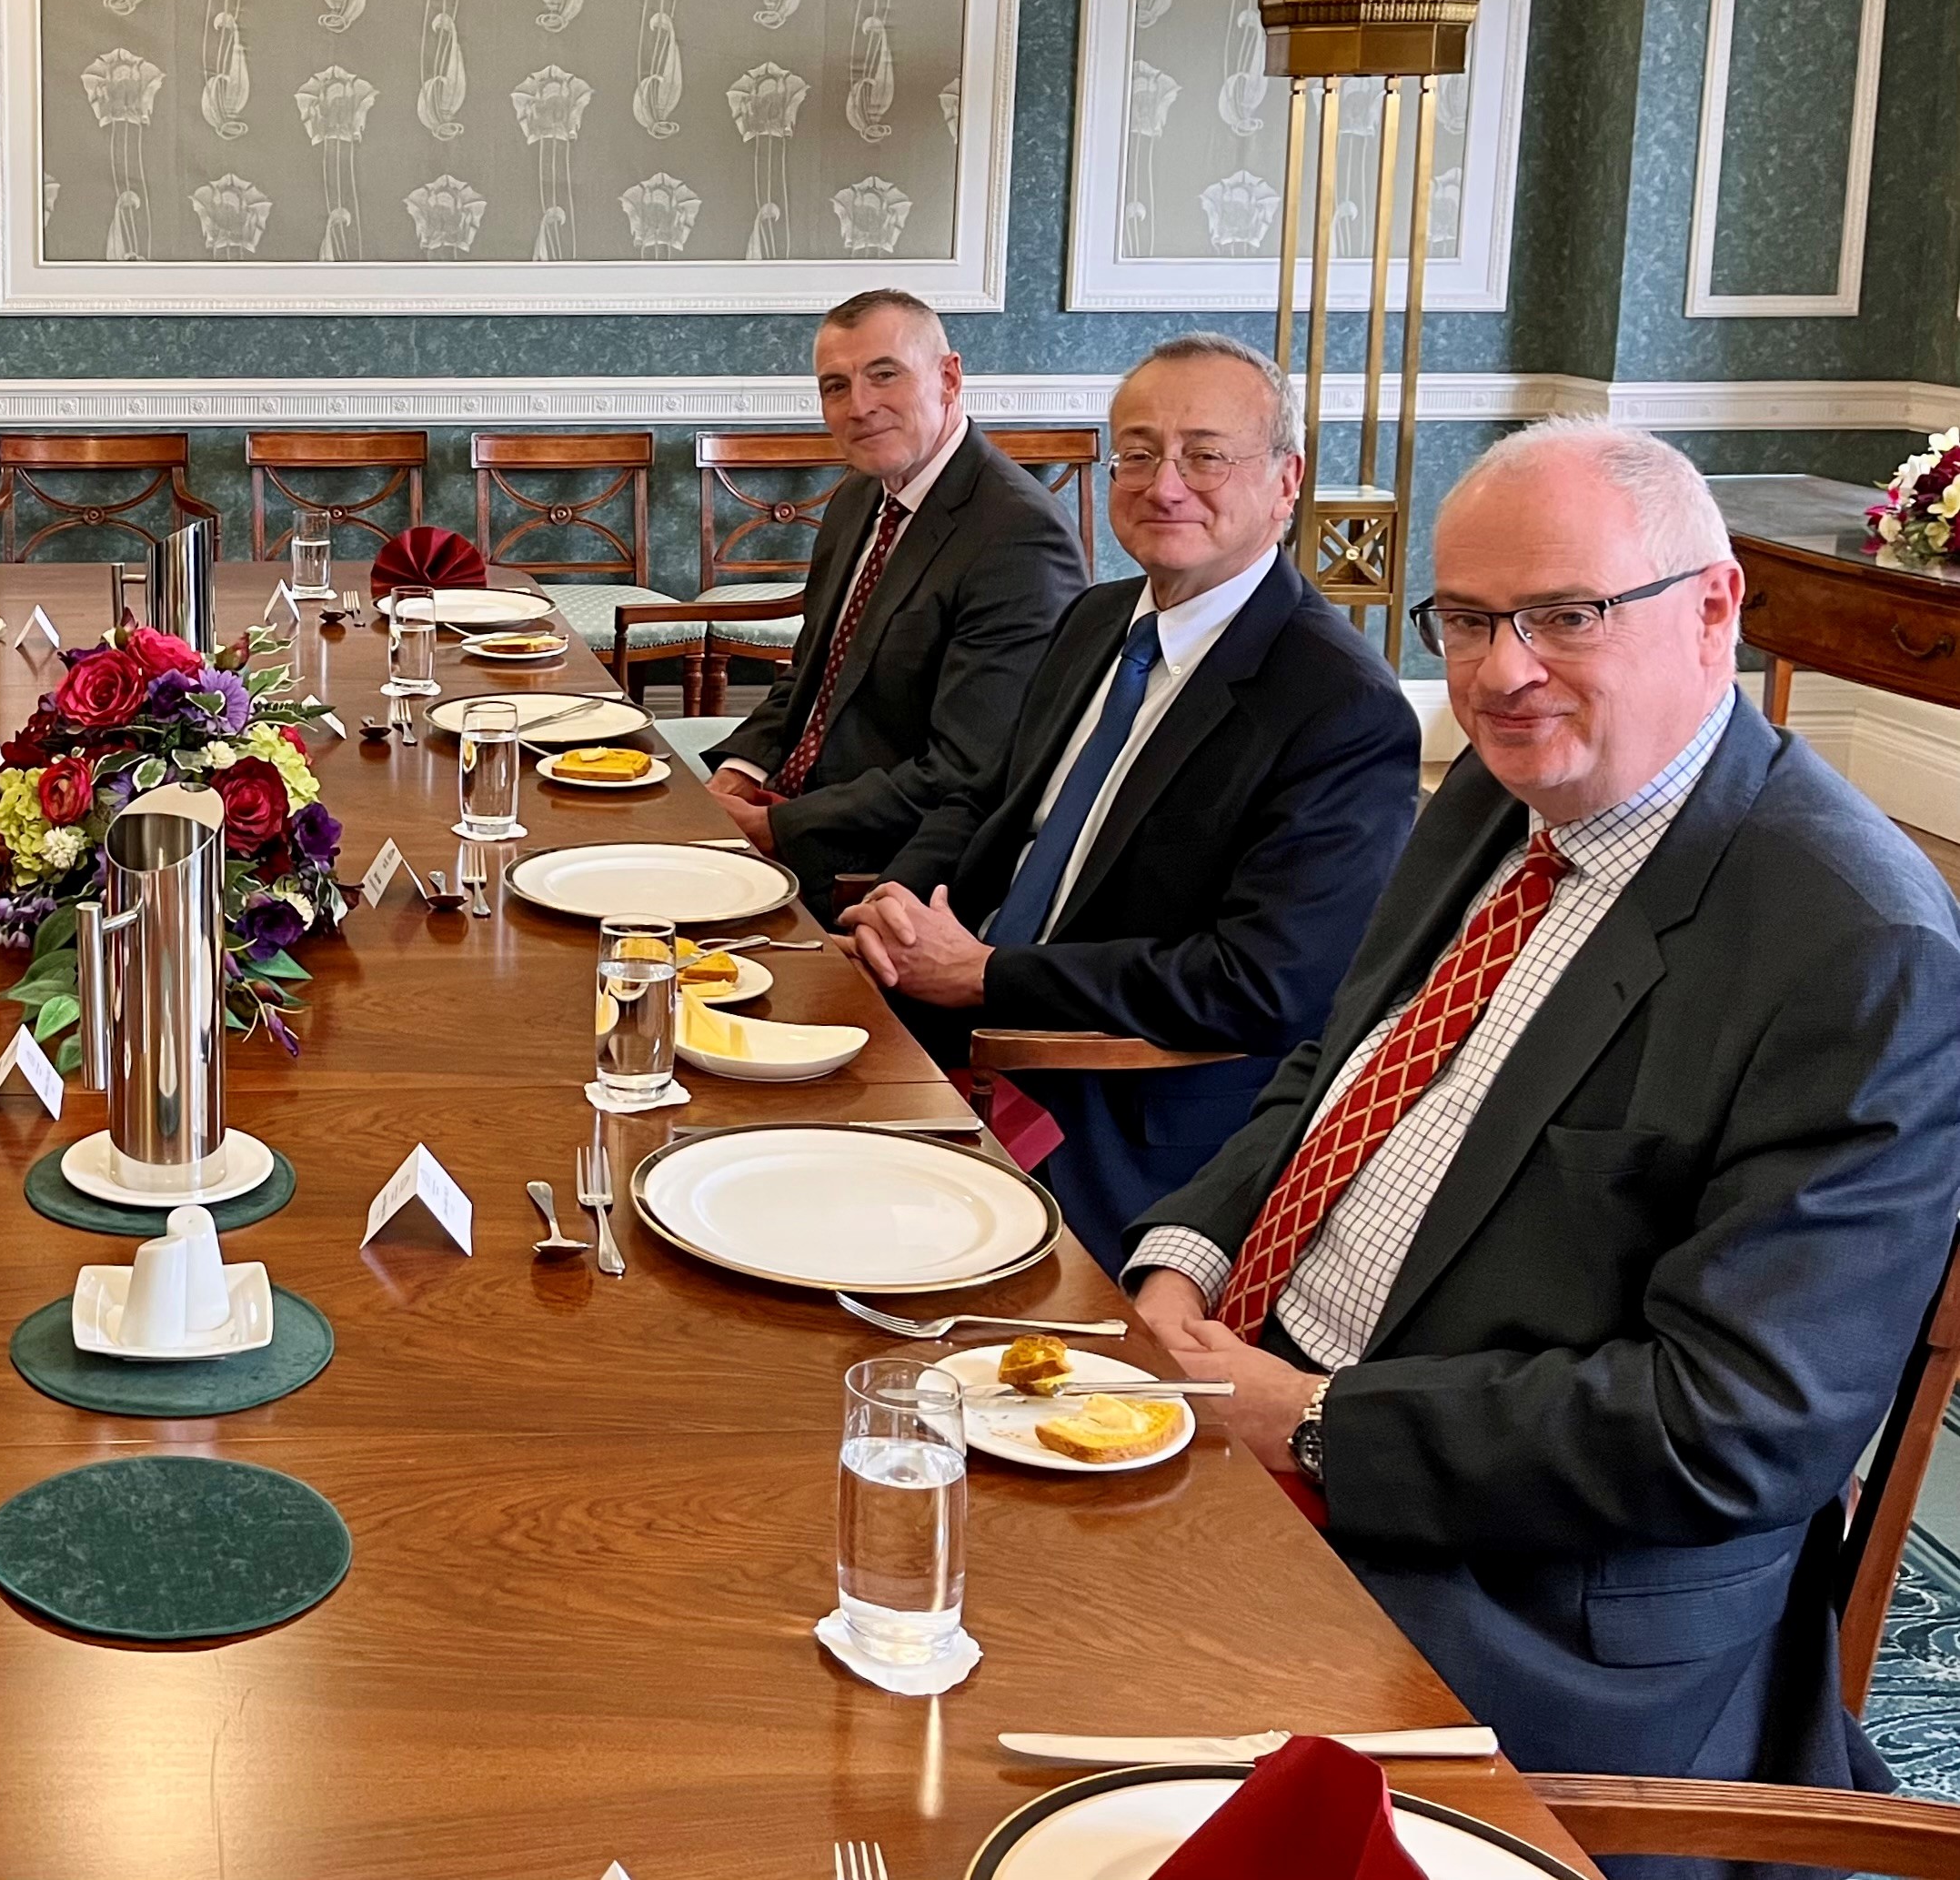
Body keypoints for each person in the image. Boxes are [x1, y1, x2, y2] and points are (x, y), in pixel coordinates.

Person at [1127, 422, 1960, 1829]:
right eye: (1464, 620)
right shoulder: (1499, 787)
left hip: (1524, 1595)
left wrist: (1316, 1422)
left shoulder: (1857, 946)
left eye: (1565, 615)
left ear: (1714, 609)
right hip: (1253, 1393)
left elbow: (1729, 1427)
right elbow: (1335, 1065)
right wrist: (1187, 1256)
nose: (1501, 670)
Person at [842, 334, 1421, 1268]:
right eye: (1139, 454)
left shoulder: (1340, 707)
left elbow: (1263, 986)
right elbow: (984, 805)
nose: (1165, 484)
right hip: (956, 1027)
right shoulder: (1097, 620)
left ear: (1286, 480)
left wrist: (990, 977)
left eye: (1205, 454)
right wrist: (896, 912)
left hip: (1112, 1114)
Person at [702, 290, 1089, 895]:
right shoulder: (859, 496)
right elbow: (812, 674)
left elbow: (967, 773)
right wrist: (736, 775)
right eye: (835, 386)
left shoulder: (1019, 538)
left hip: (884, 869)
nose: (859, 406)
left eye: (885, 375)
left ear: (949, 378)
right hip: (796, 807)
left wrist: (776, 825)